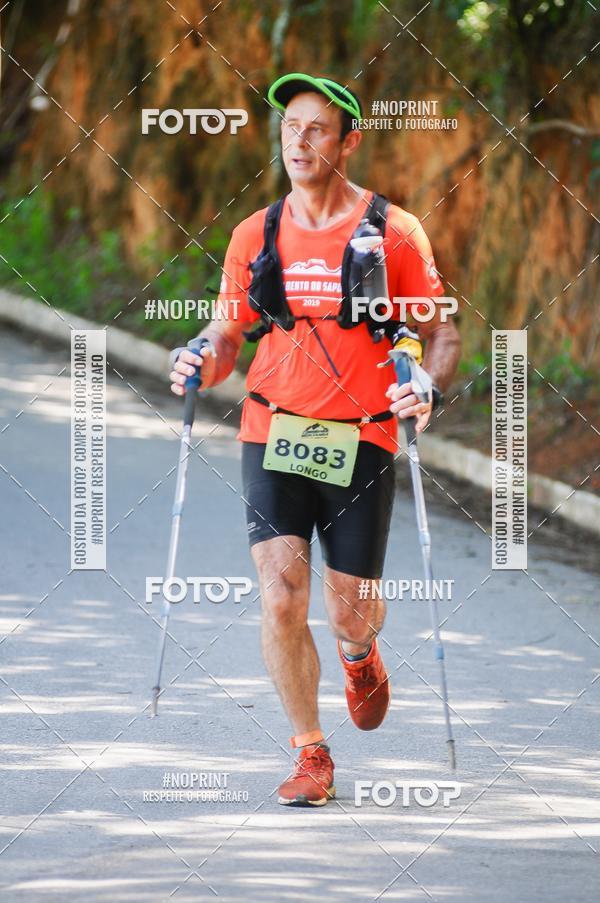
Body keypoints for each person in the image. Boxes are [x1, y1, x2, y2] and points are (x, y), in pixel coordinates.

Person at [170, 73, 461, 806]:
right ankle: (310, 751)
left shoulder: (392, 231)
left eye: (316, 129)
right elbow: (228, 333)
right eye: (289, 127)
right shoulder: (255, 233)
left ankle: (359, 653)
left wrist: (427, 385)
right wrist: (200, 355)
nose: (298, 142)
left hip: (363, 436)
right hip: (274, 426)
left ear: (348, 141)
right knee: (280, 593)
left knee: (349, 610)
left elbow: (441, 332)